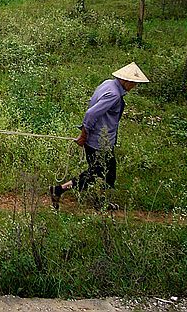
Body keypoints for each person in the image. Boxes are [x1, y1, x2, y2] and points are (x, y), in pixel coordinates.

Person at [49, 62, 149, 211]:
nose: (134, 86)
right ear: (126, 81)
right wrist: (84, 134)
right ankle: (60, 190)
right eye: (133, 83)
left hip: (100, 139)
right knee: (98, 175)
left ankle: (98, 200)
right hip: (99, 142)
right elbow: (91, 113)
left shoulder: (108, 84)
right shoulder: (114, 95)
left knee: (103, 173)